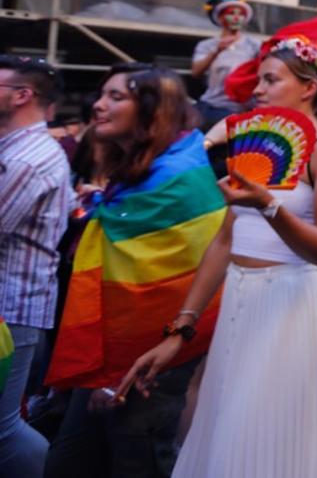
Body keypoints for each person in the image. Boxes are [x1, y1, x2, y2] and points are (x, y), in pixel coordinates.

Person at [120, 37, 317, 477]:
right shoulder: (251, 141)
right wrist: (179, 330)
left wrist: (269, 205)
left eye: (270, 79)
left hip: (292, 299)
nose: (257, 90)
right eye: (258, 81)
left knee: (261, 435)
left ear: (308, 88)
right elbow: (225, 241)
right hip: (239, 300)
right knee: (222, 424)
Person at [44, 65, 223, 478]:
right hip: (107, 350)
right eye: (101, 94)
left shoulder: (182, 178)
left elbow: (195, 281)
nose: (99, 105)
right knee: (67, 462)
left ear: (151, 112)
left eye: (116, 97)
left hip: (151, 360)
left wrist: (134, 363)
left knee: (136, 459)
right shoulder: (136, 171)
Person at [0, 55, 71, 476]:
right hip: (13, 308)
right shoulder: (14, 149)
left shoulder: (27, 159)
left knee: (3, 429)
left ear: (22, 95)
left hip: (13, 311)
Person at [190, 0, 260, 127]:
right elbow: (195, 72)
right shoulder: (207, 45)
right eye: (231, 13)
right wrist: (216, 51)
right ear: (220, 18)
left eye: (240, 14)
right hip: (211, 106)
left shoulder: (254, 45)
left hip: (240, 109)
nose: (236, 17)